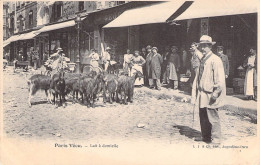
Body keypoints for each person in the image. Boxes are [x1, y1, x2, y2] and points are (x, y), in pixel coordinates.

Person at [193, 35, 226, 144]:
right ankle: (205, 137)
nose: (202, 48)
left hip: (211, 93)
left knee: (212, 116)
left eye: (205, 46)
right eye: (201, 46)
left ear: (210, 46)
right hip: (202, 92)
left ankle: (216, 139)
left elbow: (220, 79)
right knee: (203, 116)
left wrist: (216, 92)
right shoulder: (203, 58)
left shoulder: (215, 60)